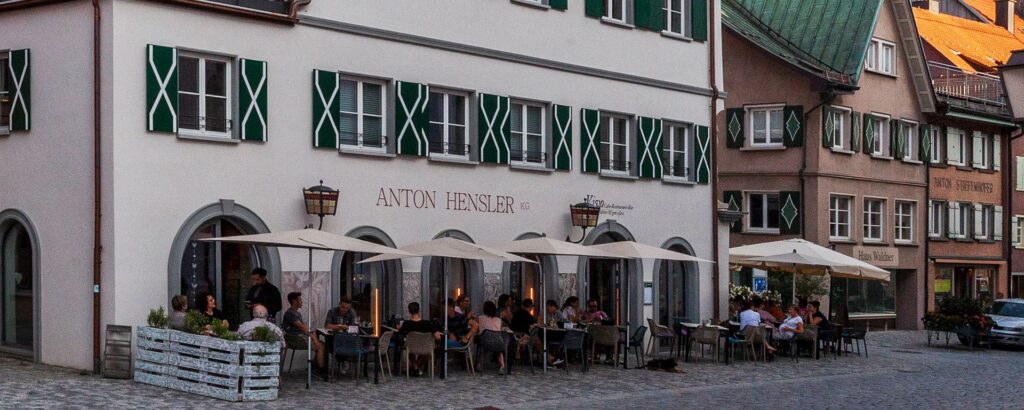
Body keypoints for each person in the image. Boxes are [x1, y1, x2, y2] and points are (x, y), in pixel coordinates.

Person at [281, 292, 326, 374]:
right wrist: (314, 339)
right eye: (300, 300)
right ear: (294, 301)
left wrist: (312, 334)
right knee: (321, 346)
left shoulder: (297, 313)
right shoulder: (290, 313)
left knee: (322, 344)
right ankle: (321, 370)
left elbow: (304, 328)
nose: (302, 302)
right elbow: (303, 328)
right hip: (295, 339)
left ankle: (314, 365)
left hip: (300, 337)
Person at [397, 302, 441, 377]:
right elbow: (438, 337)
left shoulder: (406, 324)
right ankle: (416, 368)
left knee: (409, 348)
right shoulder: (427, 323)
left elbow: (400, 335)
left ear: (409, 311)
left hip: (411, 348)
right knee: (427, 351)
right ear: (419, 310)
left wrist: (399, 329)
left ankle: (414, 368)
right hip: (425, 347)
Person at [477, 301, 508, 374]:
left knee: (482, 346)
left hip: (485, 342)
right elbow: (500, 330)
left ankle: (479, 364)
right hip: (498, 342)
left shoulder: (479, 318)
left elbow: (477, 329)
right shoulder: (499, 320)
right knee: (499, 350)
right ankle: (502, 366)